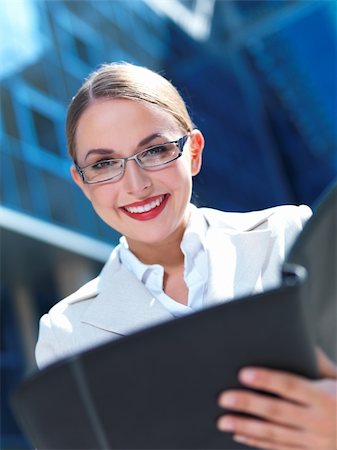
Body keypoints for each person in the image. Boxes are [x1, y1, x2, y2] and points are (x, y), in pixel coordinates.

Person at [35, 62, 336, 449]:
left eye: (155, 150)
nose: (136, 184)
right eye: (104, 164)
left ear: (193, 152)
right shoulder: (66, 333)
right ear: (82, 182)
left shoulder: (289, 235)